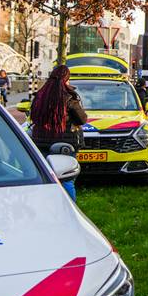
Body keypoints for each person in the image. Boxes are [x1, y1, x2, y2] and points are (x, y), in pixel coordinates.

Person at [29, 65, 88, 201]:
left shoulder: (40, 96)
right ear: (65, 79)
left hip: (41, 142)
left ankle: (46, 204)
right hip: (64, 143)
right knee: (66, 178)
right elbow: (82, 119)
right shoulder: (69, 98)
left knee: (46, 178)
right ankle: (69, 208)